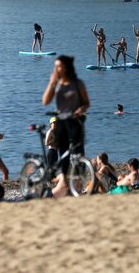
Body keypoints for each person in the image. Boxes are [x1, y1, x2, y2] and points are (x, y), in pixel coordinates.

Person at [42, 55, 90, 198]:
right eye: (55, 67)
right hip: (62, 122)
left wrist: (80, 110)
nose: (57, 69)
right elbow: (45, 101)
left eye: (59, 66)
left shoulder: (78, 83)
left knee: (78, 151)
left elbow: (86, 103)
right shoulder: (56, 84)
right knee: (63, 154)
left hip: (76, 121)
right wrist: (51, 83)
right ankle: (63, 181)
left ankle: (77, 181)